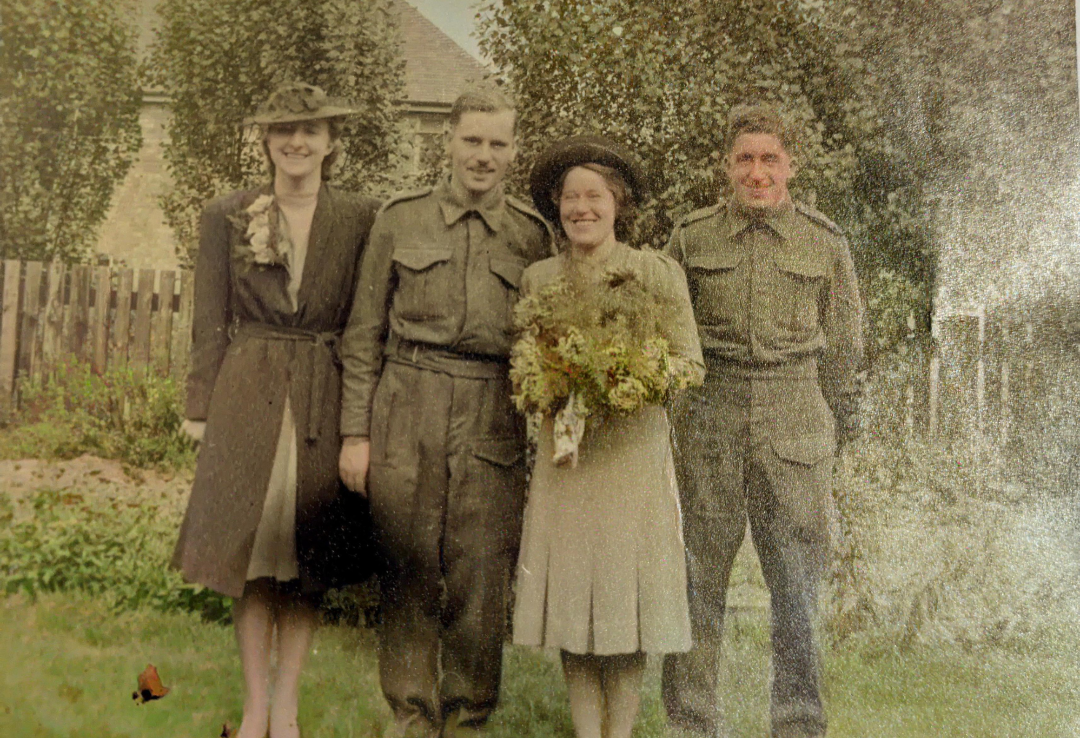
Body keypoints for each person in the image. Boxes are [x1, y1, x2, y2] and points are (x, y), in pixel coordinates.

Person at [337, 85, 553, 738]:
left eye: (497, 143)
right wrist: (355, 433)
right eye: (472, 140)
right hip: (408, 402)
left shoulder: (530, 233)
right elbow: (361, 331)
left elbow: (545, 342)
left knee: (480, 576)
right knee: (407, 565)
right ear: (448, 141)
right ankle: (411, 714)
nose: (483, 155)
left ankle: (468, 718)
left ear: (513, 152)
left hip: (492, 411)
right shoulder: (400, 219)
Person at [171, 81, 380, 738]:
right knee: (252, 553)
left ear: (331, 143)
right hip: (248, 392)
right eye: (284, 130)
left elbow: (365, 322)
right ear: (265, 141)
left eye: (311, 131)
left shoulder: (360, 218)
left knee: (306, 555)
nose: (297, 142)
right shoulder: (228, 214)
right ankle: (255, 705)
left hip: (323, 389)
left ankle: (286, 707)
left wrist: (360, 421)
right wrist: (200, 404)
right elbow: (209, 316)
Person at [660, 104, 864, 738]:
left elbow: (847, 346)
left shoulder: (824, 242)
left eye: (768, 159)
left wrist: (832, 426)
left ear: (790, 166)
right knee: (697, 580)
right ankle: (691, 724)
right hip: (710, 412)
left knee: (798, 587)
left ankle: (799, 725)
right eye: (745, 158)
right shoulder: (691, 239)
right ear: (727, 166)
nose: (756, 172)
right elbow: (666, 334)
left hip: (795, 414)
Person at [511, 136, 705, 738]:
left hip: (631, 457)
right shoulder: (539, 278)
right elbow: (524, 365)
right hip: (567, 462)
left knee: (627, 603)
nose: (582, 208)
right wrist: (548, 381)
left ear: (617, 202)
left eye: (594, 196)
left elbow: (690, 364)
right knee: (574, 600)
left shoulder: (655, 273)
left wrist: (637, 376)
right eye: (570, 197)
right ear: (558, 206)